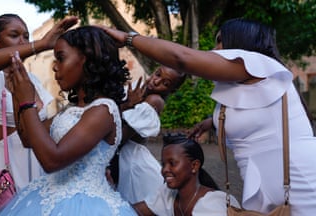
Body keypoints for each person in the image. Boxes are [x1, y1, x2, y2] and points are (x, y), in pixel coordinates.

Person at [100, 18, 316, 215]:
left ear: (242, 42)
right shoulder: (246, 83)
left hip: (299, 182)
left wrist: (129, 38)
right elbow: (250, 114)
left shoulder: (260, 64)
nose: (214, 50)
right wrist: (209, 123)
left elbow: (181, 59)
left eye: (220, 41)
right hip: (264, 187)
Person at [0, 26, 137, 215]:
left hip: (86, 206)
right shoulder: (72, 111)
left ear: (85, 59)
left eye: (60, 58)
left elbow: (52, 160)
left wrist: (28, 102)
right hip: (47, 196)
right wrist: (17, 95)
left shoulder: (103, 110)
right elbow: (27, 138)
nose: (54, 66)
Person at [0, 14, 77, 191]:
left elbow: (43, 126)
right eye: (14, 35)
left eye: (26, 36)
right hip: (8, 167)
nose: (23, 41)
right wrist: (40, 44)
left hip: (41, 161)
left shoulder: (32, 79)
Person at [109, 65, 186, 204]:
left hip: (130, 164)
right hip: (117, 158)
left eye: (165, 83)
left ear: (172, 90)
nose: (156, 81)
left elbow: (118, 138)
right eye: (158, 74)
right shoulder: (136, 90)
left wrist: (127, 105)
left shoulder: (154, 100)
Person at [133, 133, 239, 216]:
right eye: (163, 164)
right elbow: (136, 210)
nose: (165, 170)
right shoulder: (168, 194)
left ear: (194, 166)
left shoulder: (212, 205)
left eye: (172, 163)